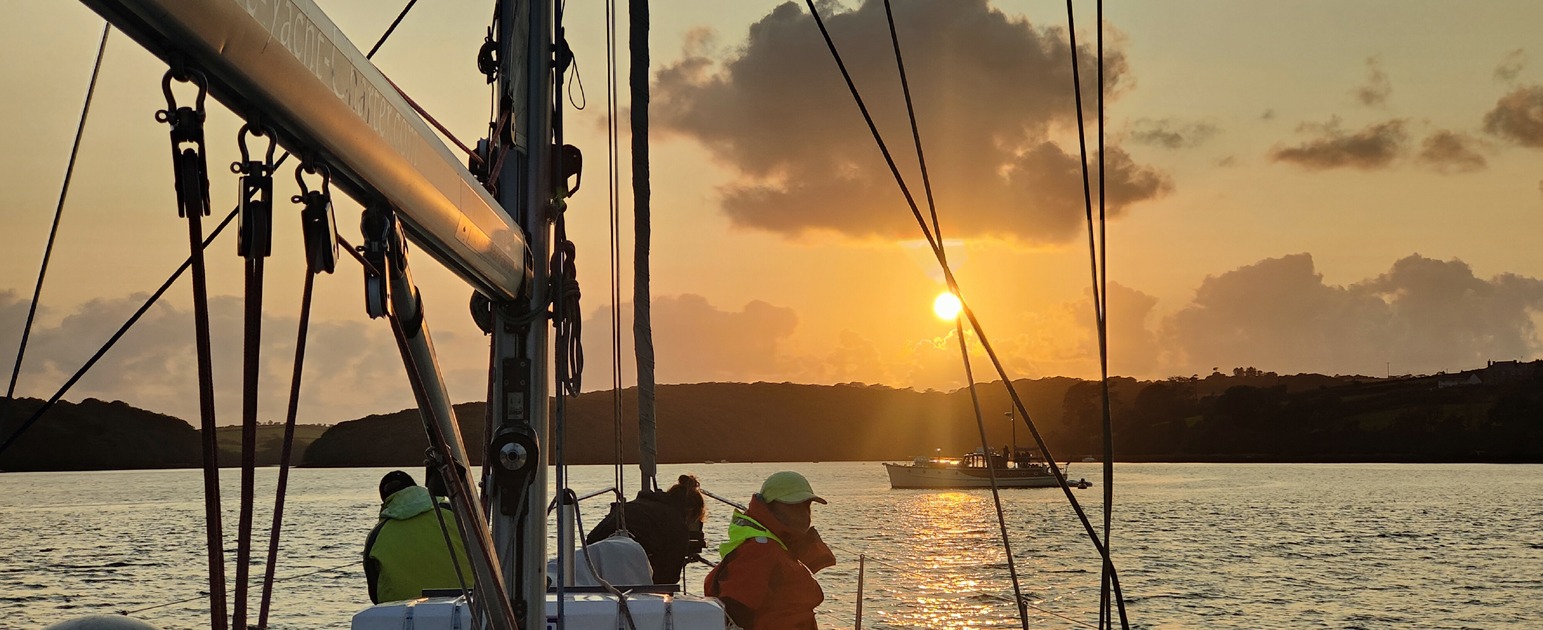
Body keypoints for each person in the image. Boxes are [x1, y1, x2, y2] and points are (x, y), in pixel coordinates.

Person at [704, 471, 835, 629]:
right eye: (793, 506)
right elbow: (733, 612)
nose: (803, 514)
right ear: (770, 508)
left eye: (807, 506)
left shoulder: (778, 548)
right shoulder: (760, 551)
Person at [363, 470, 475, 603]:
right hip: (468, 604)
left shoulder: (377, 534)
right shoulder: (456, 514)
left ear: (385, 500)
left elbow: (374, 594)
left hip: (400, 615)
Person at [585, 474, 708, 585]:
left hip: (591, 557)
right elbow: (669, 578)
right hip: (624, 560)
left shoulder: (632, 506)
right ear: (690, 511)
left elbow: (591, 538)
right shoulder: (676, 523)